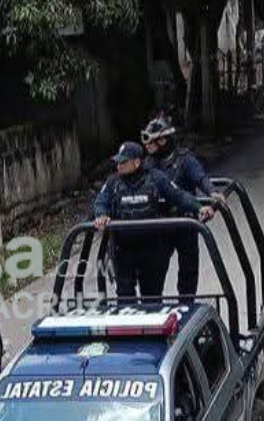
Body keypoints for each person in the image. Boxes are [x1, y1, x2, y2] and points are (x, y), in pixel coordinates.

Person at [94, 142, 212, 299]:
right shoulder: (113, 182)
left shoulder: (156, 178)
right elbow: (100, 201)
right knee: (125, 297)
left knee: (152, 297)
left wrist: (199, 207)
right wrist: (101, 215)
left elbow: (178, 195)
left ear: (136, 162)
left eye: (123, 162)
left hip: (152, 250)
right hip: (123, 250)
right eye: (118, 162)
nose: (119, 166)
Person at [142, 115, 222, 299]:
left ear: (162, 140)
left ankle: (186, 304)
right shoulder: (148, 164)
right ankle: (152, 307)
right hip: (160, 224)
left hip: (185, 222)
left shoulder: (184, 160)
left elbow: (200, 178)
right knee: (154, 270)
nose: (147, 146)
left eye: (151, 141)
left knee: (188, 269)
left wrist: (212, 192)